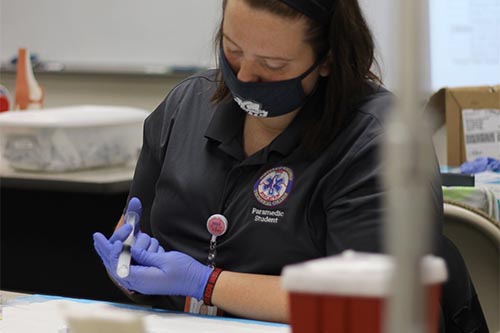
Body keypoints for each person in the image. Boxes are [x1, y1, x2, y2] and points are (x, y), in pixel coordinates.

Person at [93, 0, 487, 330]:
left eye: (273, 65)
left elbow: (373, 305)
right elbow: (135, 235)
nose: (244, 75)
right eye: (232, 49)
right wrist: (129, 265)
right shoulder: (185, 108)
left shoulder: (378, 138)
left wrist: (206, 283)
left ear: (328, 60)